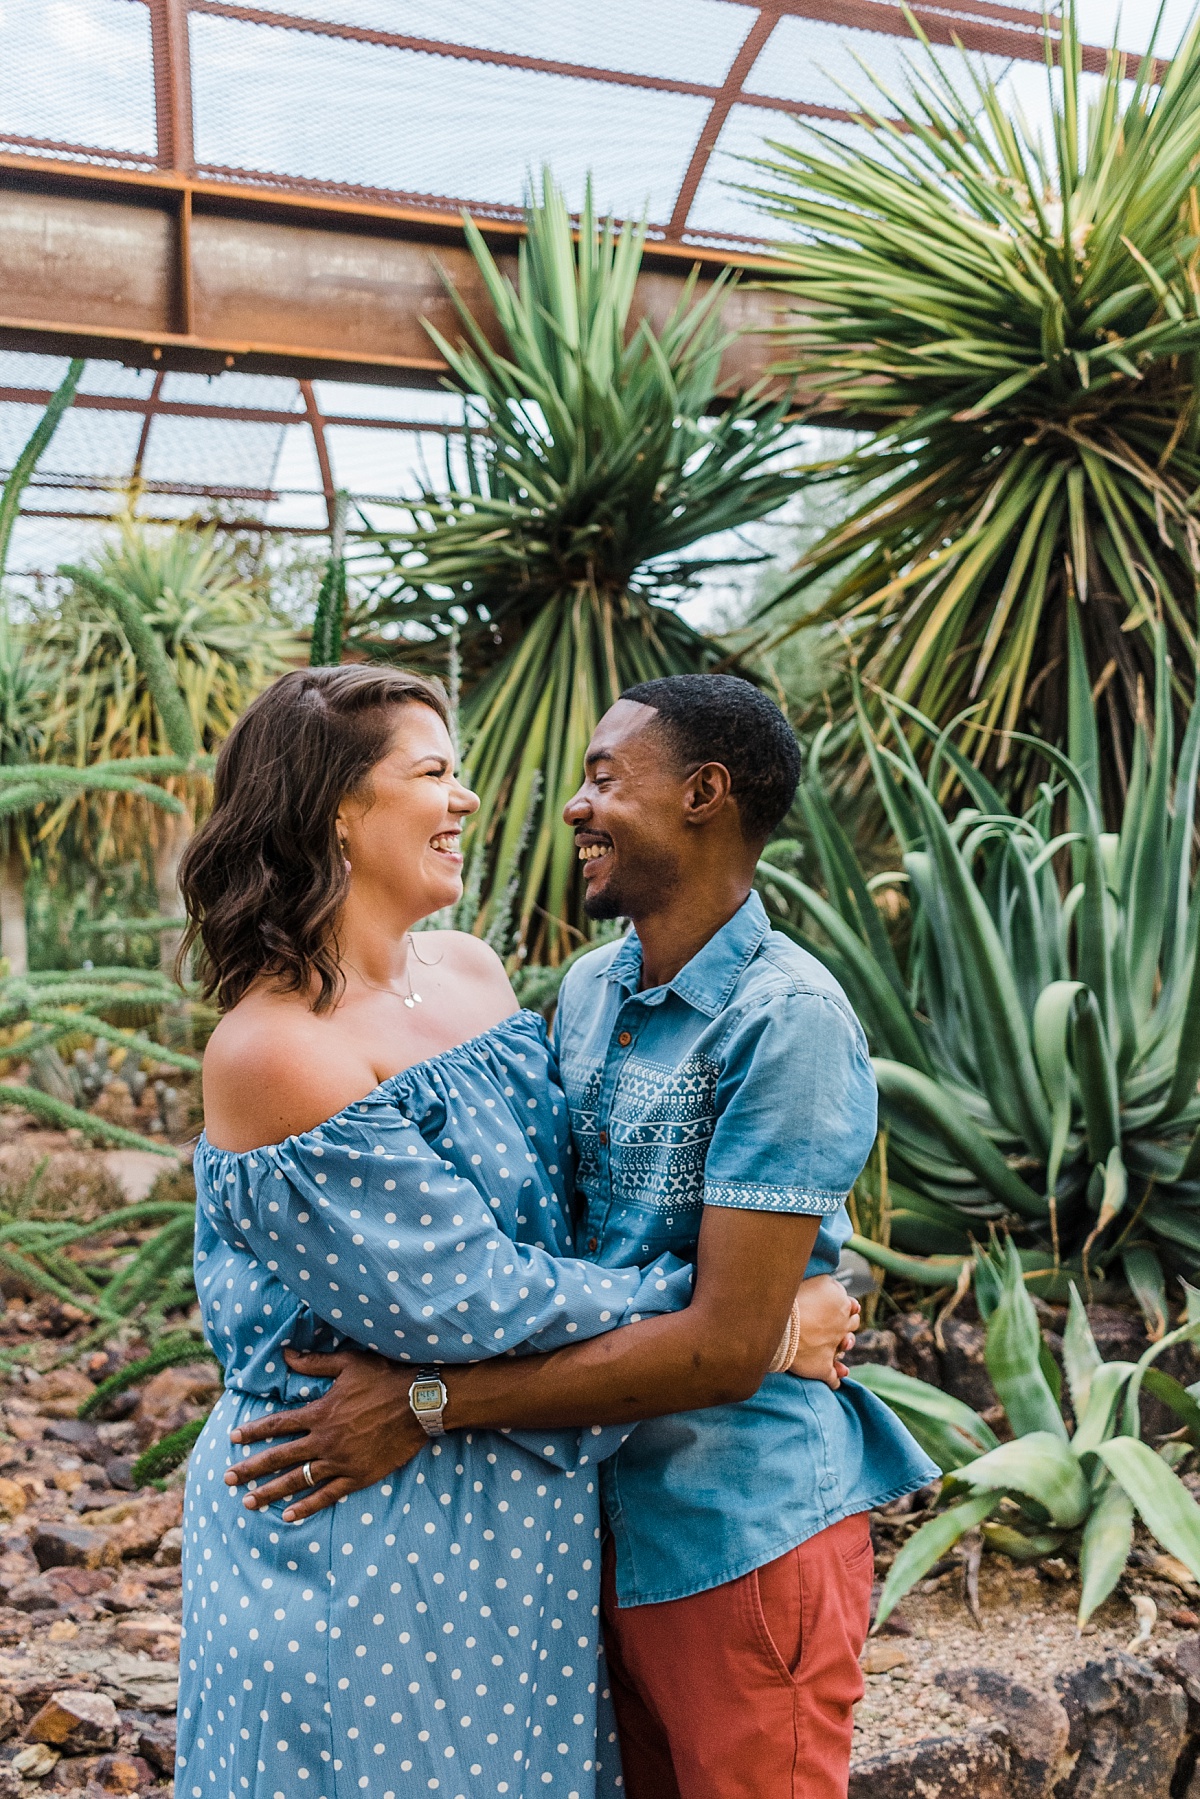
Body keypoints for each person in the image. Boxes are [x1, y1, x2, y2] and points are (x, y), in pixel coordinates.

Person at [226, 673, 938, 1799]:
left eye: (606, 778)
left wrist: (432, 1400)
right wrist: (767, 1323)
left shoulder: (786, 1019)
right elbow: (520, 1251)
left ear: (703, 794)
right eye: (434, 771)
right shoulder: (593, 988)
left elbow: (713, 1343)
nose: (570, 803)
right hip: (582, 1514)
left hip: (734, 1526)